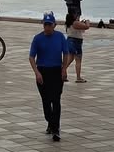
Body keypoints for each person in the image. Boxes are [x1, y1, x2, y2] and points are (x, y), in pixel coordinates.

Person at [30, 12, 72, 142]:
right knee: (46, 101)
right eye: (45, 25)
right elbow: (31, 57)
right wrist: (37, 72)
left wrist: (64, 69)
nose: (47, 27)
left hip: (56, 71)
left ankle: (56, 129)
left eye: (49, 25)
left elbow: (66, 54)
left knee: (56, 99)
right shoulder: (37, 38)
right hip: (42, 72)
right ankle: (50, 121)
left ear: (54, 25)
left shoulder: (60, 37)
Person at [64, 12, 89, 83]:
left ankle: (61, 72)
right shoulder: (75, 23)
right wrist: (87, 22)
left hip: (70, 41)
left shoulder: (68, 23)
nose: (78, 16)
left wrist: (81, 22)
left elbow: (79, 28)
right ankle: (78, 77)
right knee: (78, 60)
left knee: (70, 58)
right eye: (77, 15)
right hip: (75, 42)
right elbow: (87, 27)